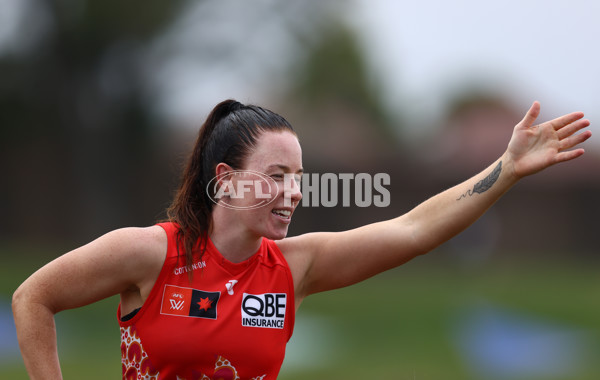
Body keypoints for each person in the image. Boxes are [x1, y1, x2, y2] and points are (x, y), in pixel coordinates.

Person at [12, 99, 591, 379]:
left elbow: (414, 230)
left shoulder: (295, 268)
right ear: (226, 180)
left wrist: (506, 169)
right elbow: (32, 299)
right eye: (276, 177)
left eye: (299, 180)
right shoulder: (151, 253)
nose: (293, 194)